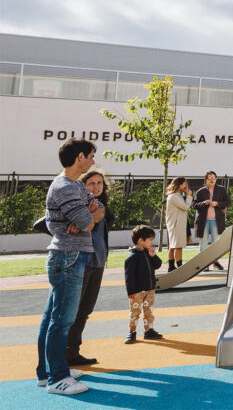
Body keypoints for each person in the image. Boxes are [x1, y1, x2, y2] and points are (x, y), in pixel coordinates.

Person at [36, 138, 104, 396]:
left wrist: (89, 216)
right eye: (91, 156)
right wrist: (86, 218)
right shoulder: (65, 187)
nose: (93, 161)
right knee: (61, 321)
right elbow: (87, 222)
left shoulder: (76, 184)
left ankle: (48, 372)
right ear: (80, 158)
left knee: (52, 318)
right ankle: (57, 377)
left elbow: (100, 211)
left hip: (71, 256)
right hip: (68, 257)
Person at [65, 169, 112, 367]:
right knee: (72, 310)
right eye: (91, 183)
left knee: (85, 310)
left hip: (98, 262)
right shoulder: (79, 205)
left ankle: (73, 352)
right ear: (83, 186)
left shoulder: (102, 207)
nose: (96, 186)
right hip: (81, 262)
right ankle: (62, 353)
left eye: (99, 183)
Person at [124, 225, 163, 344]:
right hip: (137, 292)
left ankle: (149, 331)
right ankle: (132, 332)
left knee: (149, 311)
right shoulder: (132, 258)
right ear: (141, 240)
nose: (152, 242)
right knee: (135, 312)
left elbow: (158, 265)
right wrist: (130, 292)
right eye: (150, 239)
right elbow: (129, 278)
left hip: (149, 290)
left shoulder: (148, 254)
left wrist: (153, 256)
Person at [193, 171, 230, 271]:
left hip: (216, 221)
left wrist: (217, 204)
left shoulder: (222, 190)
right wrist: (204, 203)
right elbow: (194, 205)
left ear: (216, 179)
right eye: (209, 177)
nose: (212, 179)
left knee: (215, 243)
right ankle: (203, 264)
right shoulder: (200, 191)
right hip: (203, 221)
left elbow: (228, 202)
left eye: (213, 177)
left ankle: (215, 262)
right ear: (206, 180)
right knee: (203, 243)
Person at [164, 177, 193, 272]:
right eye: (184, 183)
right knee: (178, 246)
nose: (186, 185)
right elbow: (185, 207)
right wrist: (189, 196)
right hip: (176, 225)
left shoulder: (176, 196)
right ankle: (180, 267)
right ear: (179, 185)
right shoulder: (174, 196)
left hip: (175, 225)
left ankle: (171, 267)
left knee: (173, 246)